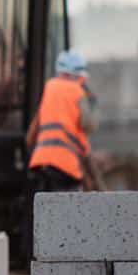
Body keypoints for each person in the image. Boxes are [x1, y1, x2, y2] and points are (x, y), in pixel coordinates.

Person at [27, 50, 99, 192]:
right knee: (70, 208)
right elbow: (88, 126)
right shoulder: (78, 92)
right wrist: (92, 103)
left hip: (40, 164)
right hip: (66, 168)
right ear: (79, 76)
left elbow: (30, 137)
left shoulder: (49, 89)